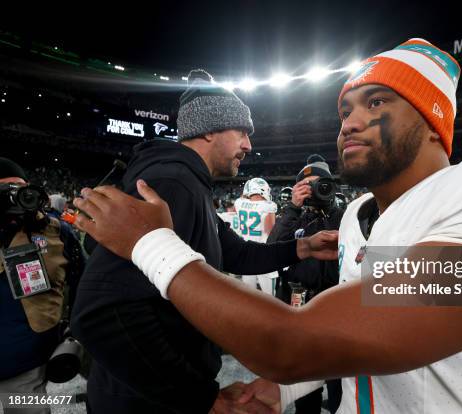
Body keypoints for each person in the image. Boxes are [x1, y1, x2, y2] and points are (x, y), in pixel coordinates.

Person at [73, 39, 462, 414]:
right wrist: (290, 389)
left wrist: (150, 243)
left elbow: (296, 343)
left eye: (377, 102)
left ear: (433, 122)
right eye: (346, 108)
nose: (349, 121)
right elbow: (362, 335)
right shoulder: (356, 215)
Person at [70, 69, 336, 414]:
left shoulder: (190, 184)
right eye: (241, 131)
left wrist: (302, 247)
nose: (248, 145)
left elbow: (236, 252)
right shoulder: (171, 183)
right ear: (208, 130)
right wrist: (200, 398)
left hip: (152, 391)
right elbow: (100, 312)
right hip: (145, 400)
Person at [267, 156, 344, 412]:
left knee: (338, 378)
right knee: (305, 381)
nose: (313, 188)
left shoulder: (345, 216)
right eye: (305, 184)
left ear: (329, 185)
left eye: (318, 183)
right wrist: (292, 208)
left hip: (336, 308)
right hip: (299, 307)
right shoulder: (293, 217)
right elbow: (271, 250)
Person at [0, 158, 70, 414]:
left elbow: (85, 282)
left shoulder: (56, 232)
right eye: (4, 192)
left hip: (26, 362)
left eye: (18, 190)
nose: (13, 199)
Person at [234, 178, 279, 295]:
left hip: (247, 254)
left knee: (250, 296)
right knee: (270, 297)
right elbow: (270, 232)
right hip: (263, 254)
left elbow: (243, 196)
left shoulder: (239, 203)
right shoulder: (268, 206)